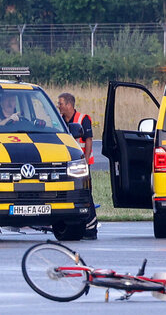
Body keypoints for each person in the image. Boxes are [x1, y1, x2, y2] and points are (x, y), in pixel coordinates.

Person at [57, 92, 98, 240]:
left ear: (69, 104)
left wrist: (85, 161)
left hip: (81, 164)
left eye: (60, 103)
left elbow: (88, 140)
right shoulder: (60, 120)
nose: (58, 106)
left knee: (86, 195)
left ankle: (91, 228)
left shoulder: (83, 119)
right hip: (67, 164)